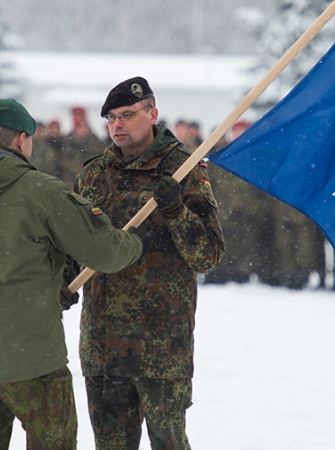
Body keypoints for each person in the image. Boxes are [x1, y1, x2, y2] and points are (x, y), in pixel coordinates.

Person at [0, 98, 144, 450]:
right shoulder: (41, 191)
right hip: (32, 360)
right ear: (22, 140)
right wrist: (135, 241)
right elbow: (107, 252)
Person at [73, 77, 225, 449]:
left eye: (127, 115)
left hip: (159, 344)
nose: (117, 125)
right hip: (103, 343)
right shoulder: (93, 174)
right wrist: (63, 280)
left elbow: (208, 255)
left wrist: (175, 210)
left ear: (153, 114)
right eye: (110, 118)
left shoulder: (182, 170)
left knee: (168, 442)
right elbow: (71, 245)